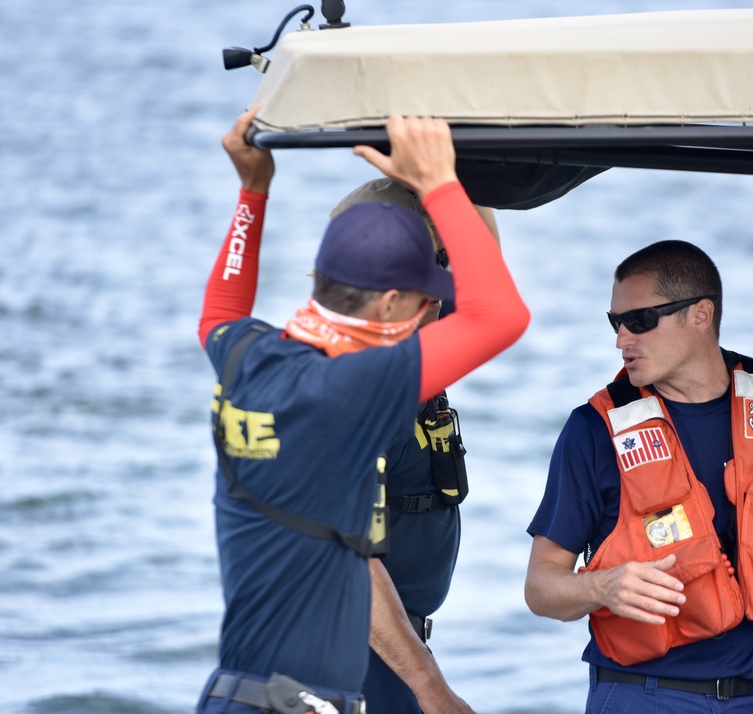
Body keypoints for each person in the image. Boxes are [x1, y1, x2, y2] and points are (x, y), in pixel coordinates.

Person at [196, 106, 529, 714]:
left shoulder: (244, 356)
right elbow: (503, 315)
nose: (436, 316)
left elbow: (219, 310)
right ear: (392, 302)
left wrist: (252, 190)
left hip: (235, 693)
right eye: (430, 303)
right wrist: (438, 184)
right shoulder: (357, 390)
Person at [524, 240, 753, 713]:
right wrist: (601, 587)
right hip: (638, 696)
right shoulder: (593, 430)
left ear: (700, 315)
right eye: (615, 323)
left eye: (639, 321)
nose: (622, 338)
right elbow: (541, 586)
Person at [327, 178, 500, 713]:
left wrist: (456, 171)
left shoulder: (408, 335)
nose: (446, 287)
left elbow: (485, 282)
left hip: (392, 647)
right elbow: (352, 562)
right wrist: (430, 687)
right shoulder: (356, 391)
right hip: (352, 652)